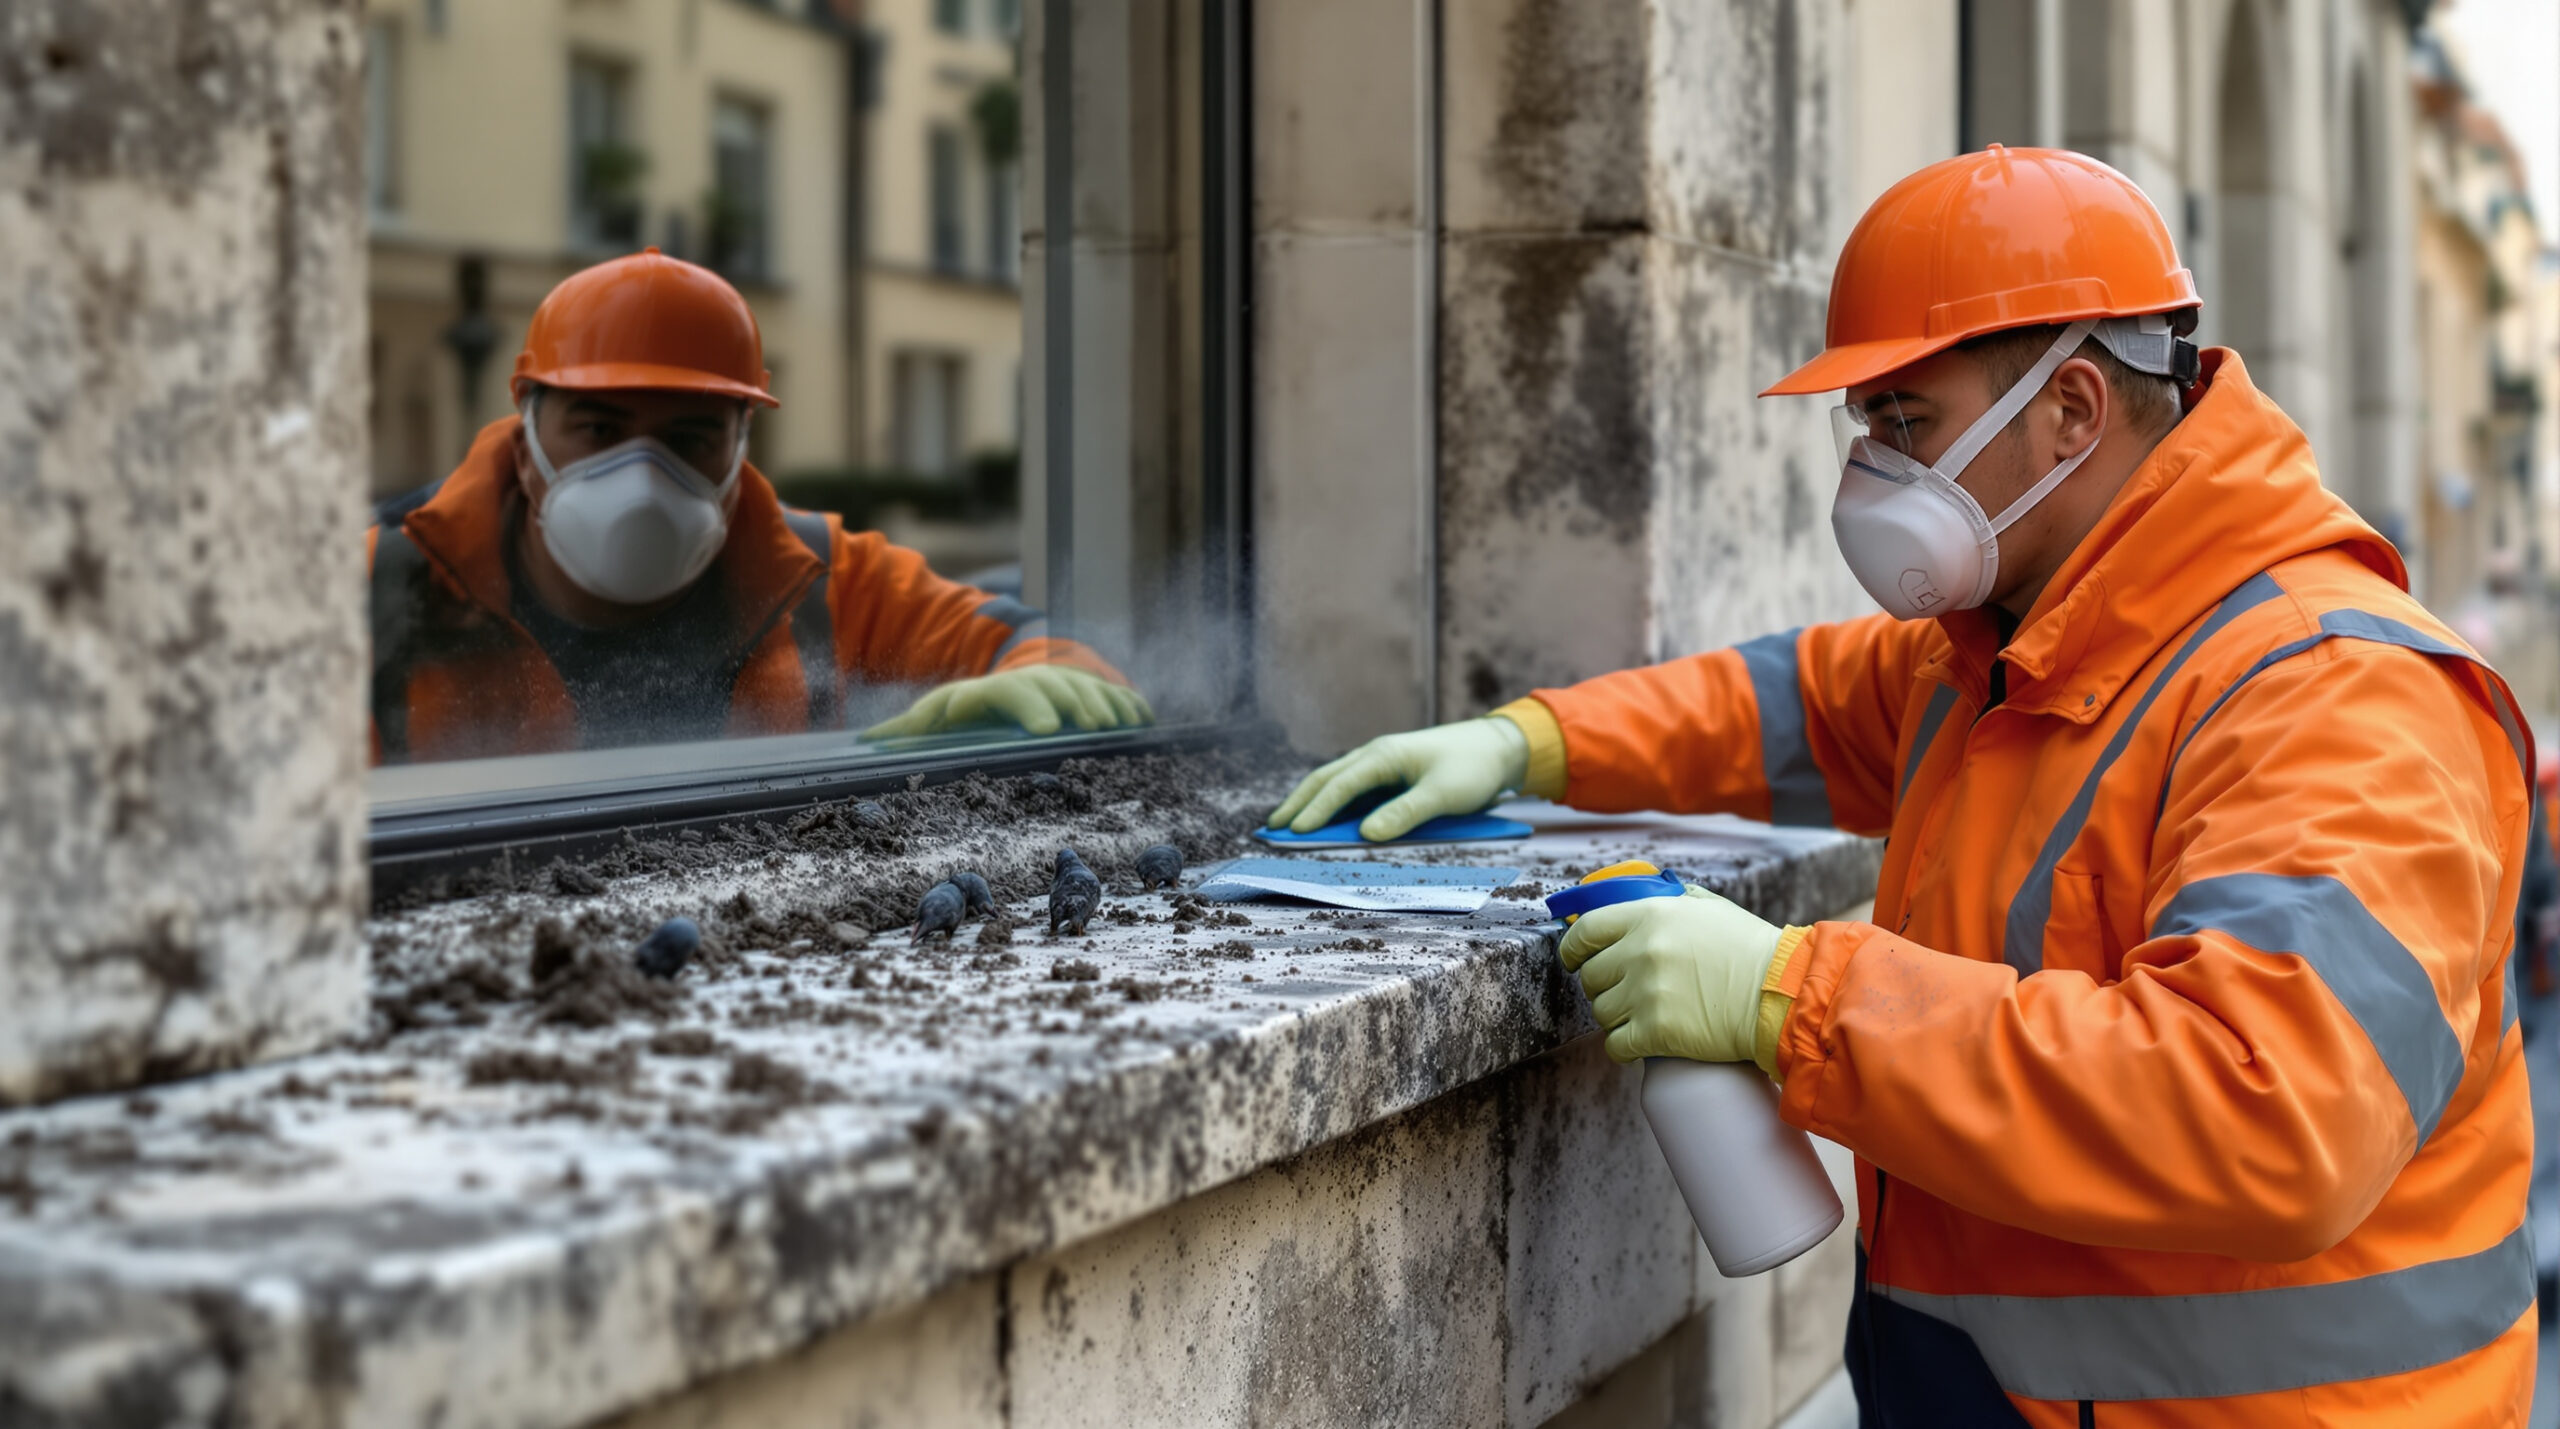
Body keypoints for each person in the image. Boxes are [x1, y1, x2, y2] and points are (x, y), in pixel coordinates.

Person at [1272, 147, 2535, 1424]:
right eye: (1865, 424)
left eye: (1905, 422)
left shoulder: (2332, 693)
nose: (1869, 472)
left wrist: (1789, 998)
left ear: (2074, 409)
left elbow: (2268, 1115)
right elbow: (1785, 703)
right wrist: (1526, 743)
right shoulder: (2005, 646)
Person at [368, 249, 1149, 764]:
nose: (644, 476)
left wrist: (1024, 693)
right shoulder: (372, 588)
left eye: (691, 436)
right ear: (527, 433)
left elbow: (1049, 656)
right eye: (599, 429)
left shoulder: (823, 579)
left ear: (742, 445)